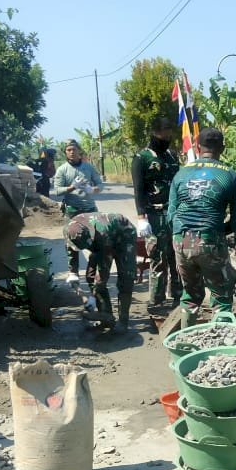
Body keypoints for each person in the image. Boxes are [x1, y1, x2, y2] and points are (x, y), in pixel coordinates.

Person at [167, 127, 236, 327]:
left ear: (197, 146)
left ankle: (186, 343)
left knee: (190, 296)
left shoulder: (181, 174)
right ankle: (220, 348)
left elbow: (171, 216)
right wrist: (221, 232)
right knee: (221, 295)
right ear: (223, 148)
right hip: (210, 239)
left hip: (181, 240)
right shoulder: (232, 176)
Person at [132, 117, 181, 309]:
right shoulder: (141, 158)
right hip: (154, 215)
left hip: (174, 215)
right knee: (158, 260)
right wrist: (141, 217)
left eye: (169, 131)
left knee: (177, 258)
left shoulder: (171, 156)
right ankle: (157, 302)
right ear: (154, 132)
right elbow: (138, 189)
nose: (168, 135)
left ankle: (178, 299)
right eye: (164, 131)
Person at [64, 212, 137, 332]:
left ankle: (123, 322)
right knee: (91, 277)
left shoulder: (102, 233)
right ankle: (106, 318)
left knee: (126, 277)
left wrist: (92, 296)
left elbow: (103, 271)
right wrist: (73, 272)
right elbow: (71, 249)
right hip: (99, 244)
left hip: (124, 235)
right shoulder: (69, 229)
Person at [55, 139, 103, 282]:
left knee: (97, 239)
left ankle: (94, 271)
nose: (71, 152)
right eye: (68, 150)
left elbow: (100, 184)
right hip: (72, 210)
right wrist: (72, 187)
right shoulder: (62, 170)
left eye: (74, 149)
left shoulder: (88, 167)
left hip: (90, 209)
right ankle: (73, 272)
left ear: (79, 151)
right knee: (72, 241)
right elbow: (57, 190)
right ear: (65, 153)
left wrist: (93, 189)